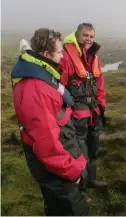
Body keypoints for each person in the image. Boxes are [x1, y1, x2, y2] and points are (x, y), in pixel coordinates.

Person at [11, 29, 89, 215]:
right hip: (59, 173)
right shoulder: (36, 89)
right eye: (59, 52)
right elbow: (47, 145)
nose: (63, 57)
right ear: (46, 54)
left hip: (59, 166)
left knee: (56, 207)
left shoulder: (40, 73)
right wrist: (74, 173)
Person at [59, 23, 107, 190]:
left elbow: (99, 85)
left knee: (93, 147)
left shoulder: (94, 58)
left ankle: (92, 180)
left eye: (92, 36)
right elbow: (60, 87)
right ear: (78, 36)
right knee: (80, 151)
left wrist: (101, 105)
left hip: (93, 112)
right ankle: (81, 186)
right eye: (86, 35)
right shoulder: (66, 57)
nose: (89, 39)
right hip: (76, 114)